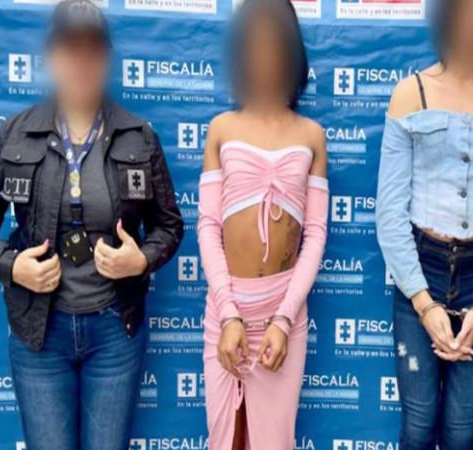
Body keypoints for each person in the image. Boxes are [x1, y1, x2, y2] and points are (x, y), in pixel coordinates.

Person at [0, 1, 184, 449]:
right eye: (71, 50)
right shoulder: (16, 133)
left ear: (107, 59)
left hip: (115, 332)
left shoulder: (139, 137)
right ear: (51, 58)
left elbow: (170, 226)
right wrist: (13, 266)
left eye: (93, 50)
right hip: (39, 335)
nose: (82, 62)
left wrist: (141, 260)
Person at [375, 0, 473, 448]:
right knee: (417, 424)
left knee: (462, 429)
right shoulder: (411, 94)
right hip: (420, 270)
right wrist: (424, 304)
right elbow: (390, 212)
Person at [197, 0, 328, 449]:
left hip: (283, 314)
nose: (265, 58)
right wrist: (229, 314)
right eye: (254, 47)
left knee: (274, 441)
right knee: (226, 439)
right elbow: (208, 227)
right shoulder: (222, 129)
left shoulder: (311, 135)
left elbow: (315, 235)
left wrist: (284, 320)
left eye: (275, 47)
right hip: (226, 310)